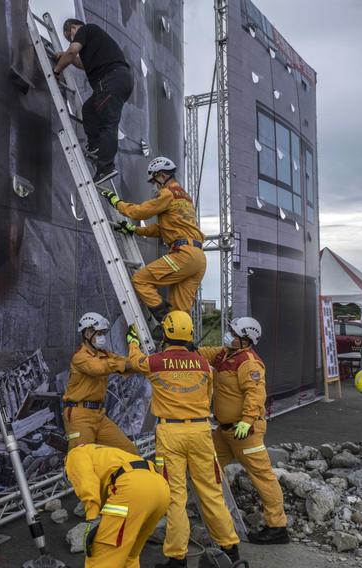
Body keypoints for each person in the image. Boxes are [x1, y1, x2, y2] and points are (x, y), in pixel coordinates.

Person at [126, 311, 242, 567]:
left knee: (175, 496)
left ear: (166, 333)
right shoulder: (203, 364)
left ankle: (177, 558)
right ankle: (230, 548)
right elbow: (207, 393)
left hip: (170, 434)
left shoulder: (155, 362)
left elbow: (135, 362)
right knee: (211, 492)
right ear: (189, 334)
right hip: (201, 432)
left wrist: (133, 341)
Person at [197, 317, 288, 545]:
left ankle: (277, 527)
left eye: (233, 333)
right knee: (207, 465)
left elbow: (255, 394)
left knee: (262, 476)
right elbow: (203, 353)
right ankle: (214, 516)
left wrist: (247, 421)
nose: (228, 334)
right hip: (225, 431)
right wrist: (183, 348)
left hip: (245, 431)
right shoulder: (225, 353)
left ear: (245, 340)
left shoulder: (249, 362)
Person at [102, 158, 206, 336]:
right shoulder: (185, 197)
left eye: (154, 181)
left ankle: (166, 324)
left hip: (183, 254)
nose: (154, 186)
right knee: (180, 312)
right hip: (198, 258)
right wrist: (135, 229)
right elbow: (163, 229)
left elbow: (139, 211)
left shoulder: (166, 193)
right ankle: (183, 348)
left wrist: (116, 202)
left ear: (162, 175)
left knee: (141, 280)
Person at [54, 18, 134, 185]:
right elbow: (82, 64)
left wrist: (57, 70)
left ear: (74, 27)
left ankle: (106, 168)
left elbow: (73, 51)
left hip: (111, 80)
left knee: (108, 123)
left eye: (70, 36)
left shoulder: (86, 30)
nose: (71, 40)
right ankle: (96, 147)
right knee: (89, 110)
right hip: (117, 80)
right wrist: (65, 55)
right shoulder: (94, 42)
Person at [65, 443, 170, 567]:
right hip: (161, 489)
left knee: (103, 556)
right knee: (130, 556)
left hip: (132, 489)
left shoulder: (74, 455)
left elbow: (86, 483)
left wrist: (93, 517)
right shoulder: (105, 453)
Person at [64, 312, 138, 455]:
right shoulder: (80, 357)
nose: (102, 337)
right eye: (99, 333)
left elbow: (123, 363)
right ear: (87, 333)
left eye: (103, 333)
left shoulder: (103, 354)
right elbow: (98, 368)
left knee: (129, 451)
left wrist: (141, 362)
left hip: (98, 415)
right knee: (82, 460)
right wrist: (122, 364)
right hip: (80, 416)